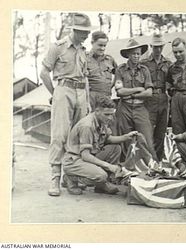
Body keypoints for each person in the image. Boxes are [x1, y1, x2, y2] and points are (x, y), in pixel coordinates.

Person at [40, 13, 96, 196]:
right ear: (75, 30)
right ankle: (55, 177)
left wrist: (86, 102)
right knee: (60, 135)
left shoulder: (83, 50)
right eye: (83, 32)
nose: (87, 35)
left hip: (81, 93)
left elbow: (85, 77)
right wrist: (55, 93)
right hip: (63, 91)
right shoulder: (58, 47)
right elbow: (44, 73)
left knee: (78, 137)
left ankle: (70, 178)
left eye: (88, 32)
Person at [62, 96, 138, 195]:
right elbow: (85, 156)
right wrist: (109, 166)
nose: (110, 118)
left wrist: (126, 137)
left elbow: (109, 139)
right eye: (107, 114)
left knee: (115, 148)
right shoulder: (87, 126)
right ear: (97, 111)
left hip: (87, 157)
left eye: (112, 114)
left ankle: (101, 186)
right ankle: (71, 178)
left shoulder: (101, 120)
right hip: (75, 161)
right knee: (101, 175)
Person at [114, 38, 158, 161]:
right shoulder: (120, 70)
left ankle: (151, 165)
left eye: (138, 53)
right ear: (128, 55)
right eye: (133, 54)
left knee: (147, 140)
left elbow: (149, 92)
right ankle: (129, 168)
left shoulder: (144, 70)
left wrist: (132, 95)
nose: (136, 56)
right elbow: (120, 92)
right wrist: (138, 89)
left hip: (140, 108)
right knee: (126, 140)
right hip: (125, 108)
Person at [141, 33, 172, 160]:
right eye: (155, 47)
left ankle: (158, 160)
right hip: (149, 99)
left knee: (161, 131)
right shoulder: (144, 63)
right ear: (151, 46)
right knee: (148, 131)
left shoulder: (169, 63)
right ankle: (147, 159)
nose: (158, 50)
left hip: (164, 99)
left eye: (160, 47)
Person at [86, 31, 117, 110]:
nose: (102, 48)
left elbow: (119, 73)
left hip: (106, 97)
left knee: (105, 120)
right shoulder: (84, 58)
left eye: (104, 45)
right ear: (92, 43)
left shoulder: (109, 59)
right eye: (100, 45)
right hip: (90, 98)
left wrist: (111, 86)